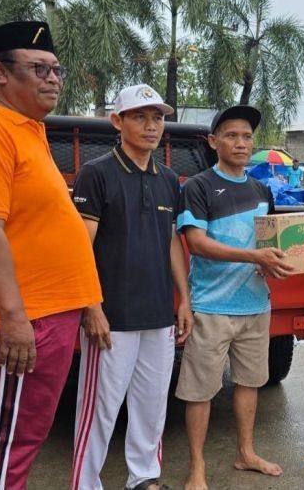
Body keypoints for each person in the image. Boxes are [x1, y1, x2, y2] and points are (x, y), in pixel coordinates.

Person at [70, 84, 193, 490]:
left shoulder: (169, 179)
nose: (151, 125)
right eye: (140, 116)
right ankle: (86, 484)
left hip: (158, 314)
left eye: (157, 117)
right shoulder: (97, 173)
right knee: (99, 410)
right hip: (112, 316)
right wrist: (91, 306)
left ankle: (144, 477)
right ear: (117, 121)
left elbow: (173, 240)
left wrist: (183, 301)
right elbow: (81, 247)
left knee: (152, 404)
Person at [0, 20, 102, 488]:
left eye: (56, 70)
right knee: (11, 441)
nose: (53, 79)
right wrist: (13, 316)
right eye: (39, 68)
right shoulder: (0, 130)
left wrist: (87, 303)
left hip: (53, 313)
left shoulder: (30, 132)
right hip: (29, 318)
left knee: (27, 436)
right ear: (0, 73)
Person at [175, 105, 295, 490]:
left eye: (246, 136)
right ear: (214, 142)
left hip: (256, 306)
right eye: (231, 136)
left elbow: (271, 240)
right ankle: (197, 467)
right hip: (210, 307)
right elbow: (196, 243)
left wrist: (271, 261)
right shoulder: (198, 186)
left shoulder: (261, 189)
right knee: (200, 391)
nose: (240, 143)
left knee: (249, 383)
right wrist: (253, 256)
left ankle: (246, 453)